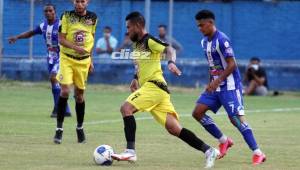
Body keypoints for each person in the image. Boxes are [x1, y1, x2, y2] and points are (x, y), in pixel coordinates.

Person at [111, 11, 219, 169]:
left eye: (129, 27)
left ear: (138, 25)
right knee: (174, 129)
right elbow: (142, 64)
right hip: (157, 90)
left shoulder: (149, 40)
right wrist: (135, 78)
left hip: (154, 86)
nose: (127, 31)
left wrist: (170, 63)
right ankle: (209, 150)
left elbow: (170, 50)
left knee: (126, 108)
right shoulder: (137, 44)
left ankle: (130, 151)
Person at [192, 10, 266, 165]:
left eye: (202, 25)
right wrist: (211, 82)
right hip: (215, 86)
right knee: (197, 113)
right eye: (198, 26)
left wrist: (217, 80)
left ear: (210, 23)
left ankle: (258, 152)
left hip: (230, 87)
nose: (199, 29)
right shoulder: (204, 42)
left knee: (236, 119)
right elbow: (212, 65)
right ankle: (224, 140)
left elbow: (232, 64)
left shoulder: (222, 40)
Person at [8, 3, 71, 118]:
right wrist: (17, 37)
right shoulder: (43, 26)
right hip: (51, 57)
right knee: (58, 83)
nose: (48, 13)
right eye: (46, 11)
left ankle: (58, 108)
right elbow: (31, 33)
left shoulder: (62, 24)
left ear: (54, 12)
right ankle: (65, 109)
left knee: (53, 78)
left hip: (62, 56)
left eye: (50, 11)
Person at [53, 0, 97, 144]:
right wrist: (76, 48)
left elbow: (92, 38)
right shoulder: (66, 16)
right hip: (67, 58)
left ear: (87, 2)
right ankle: (59, 129)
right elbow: (61, 39)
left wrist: (91, 59)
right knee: (65, 91)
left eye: (82, 1)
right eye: (77, 1)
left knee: (79, 96)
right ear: (73, 2)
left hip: (83, 62)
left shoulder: (93, 17)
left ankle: (80, 128)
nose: (79, 4)